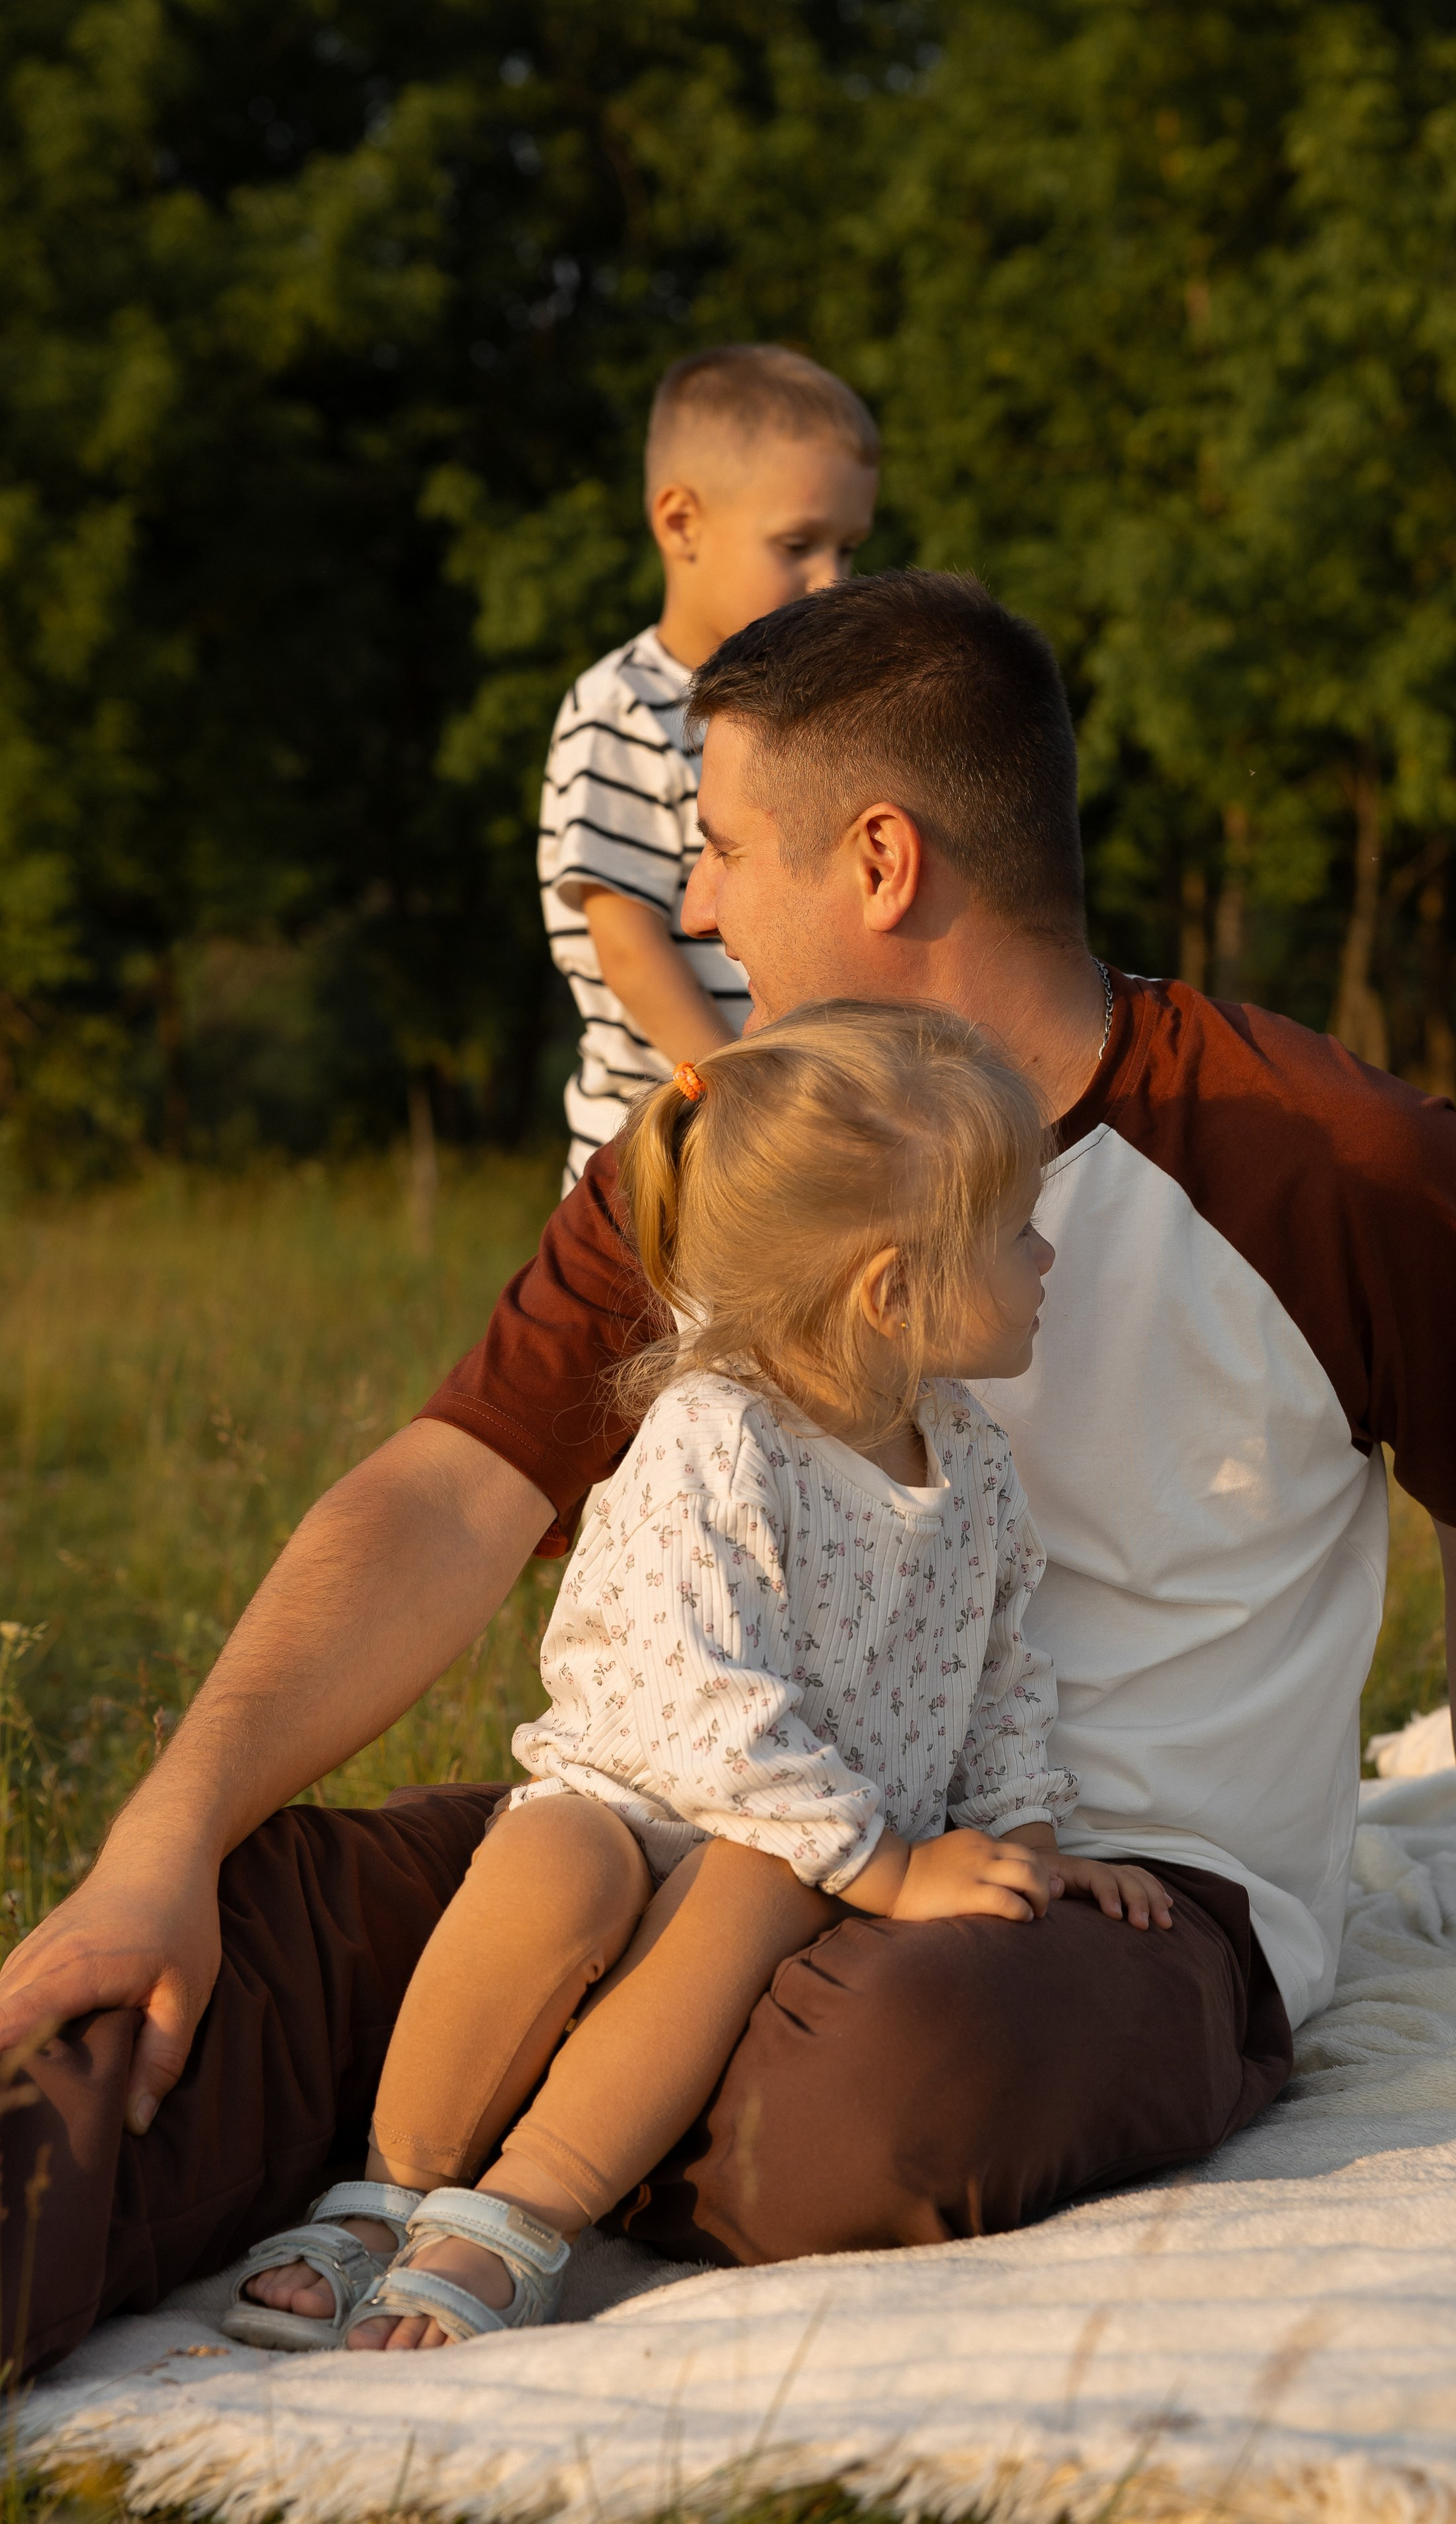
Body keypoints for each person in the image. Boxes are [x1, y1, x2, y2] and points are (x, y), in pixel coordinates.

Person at [0, 571, 1456, 2383]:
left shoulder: (1339, 1163)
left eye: (721, 847)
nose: (688, 902)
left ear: (877, 859)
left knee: (874, 2080)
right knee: (239, 1934)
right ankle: (409, 2132)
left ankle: (497, 2136)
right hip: (699, 1820)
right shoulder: (731, 1157)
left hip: (1091, 1897)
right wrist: (164, 1834)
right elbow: (455, 1489)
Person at [223, 1003, 1170, 2351]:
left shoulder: (972, 1466)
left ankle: (520, 2217)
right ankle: (392, 2182)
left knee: (757, 1876)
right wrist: (896, 1872)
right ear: (892, 1290)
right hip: (640, 1795)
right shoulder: (717, 1438)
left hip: (791, 1852)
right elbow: (715, 1717)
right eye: (1016, 1228)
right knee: (564, 1863)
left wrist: (1024, 1848)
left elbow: (1003, 1682)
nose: (1047, 1254)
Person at [541, 343, 879, 1191]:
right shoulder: (621, 704)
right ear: (681, 523)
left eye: (849, 548)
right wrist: (736, 1089)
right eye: (798, 543)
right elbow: (623, 942)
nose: (831, 582)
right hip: (664, 1155)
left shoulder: (808, 723)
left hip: (779, 1146)